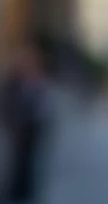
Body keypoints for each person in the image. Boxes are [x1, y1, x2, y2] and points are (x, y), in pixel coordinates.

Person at [1, 42, 53, 204]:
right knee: (18, 161)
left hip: (31, 128)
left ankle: (23, 190)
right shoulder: (17, 79)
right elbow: (9, 102)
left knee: (26, 162)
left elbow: (40, 106)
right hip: (19, 126)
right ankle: (17, 189)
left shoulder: (37, 81)